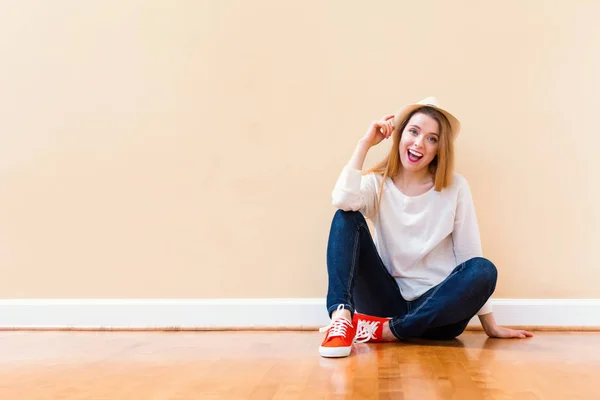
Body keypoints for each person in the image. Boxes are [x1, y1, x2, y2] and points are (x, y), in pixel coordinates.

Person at [319, 97, 533, 358]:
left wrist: (490, 326)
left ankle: (387, 331)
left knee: (483, 268)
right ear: (399, 136)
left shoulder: (455, 187)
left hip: (438, 314)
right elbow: (342, 200)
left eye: (432, 139)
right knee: (346, 216)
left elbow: (469, 254)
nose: (420, 143)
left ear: (439, 149)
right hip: (385, 302)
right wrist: (364, 144)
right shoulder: (378, 183)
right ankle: (342, 319)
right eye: (414, 131)